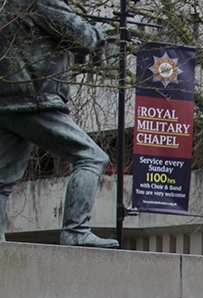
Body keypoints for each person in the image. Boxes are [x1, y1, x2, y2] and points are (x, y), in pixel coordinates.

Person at [0, 0, 117, 247]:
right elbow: (80, 37)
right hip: (34, 97)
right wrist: (96, 33)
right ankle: (75, 231)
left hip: (7, 100)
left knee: (2, 179)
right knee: (92, 157)